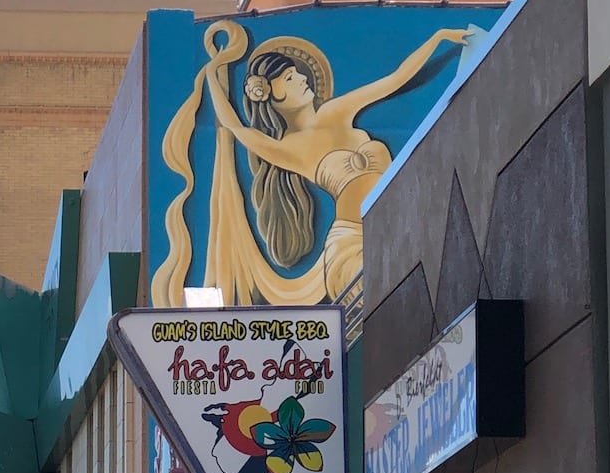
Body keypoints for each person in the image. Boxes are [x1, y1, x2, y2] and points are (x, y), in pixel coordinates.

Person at [149, 20, 472, 307]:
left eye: (297, 72)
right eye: (288, 78)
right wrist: (213, 69)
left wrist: (440, 36)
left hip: (403, 229)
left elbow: (395, 79)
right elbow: (236, 128)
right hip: (354, 246)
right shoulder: (288, 149)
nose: (300, 78)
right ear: (267, 94)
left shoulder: (336, 111)